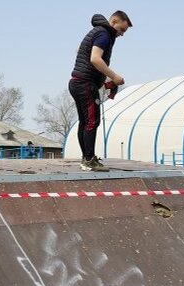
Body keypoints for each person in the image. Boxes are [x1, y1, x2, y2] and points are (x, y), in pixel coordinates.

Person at [69, 10, 132, 172]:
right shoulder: (104, 34)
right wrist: (114, 76)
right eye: (121, 30)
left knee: (85, 122)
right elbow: (95, 59)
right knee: (92, 121)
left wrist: (100, 77)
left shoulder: (97, 31)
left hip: (77, 82)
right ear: (114, 22)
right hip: (85, 84)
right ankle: (89, 160)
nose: (122, 34)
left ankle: (87, 158)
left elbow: (79, 50)